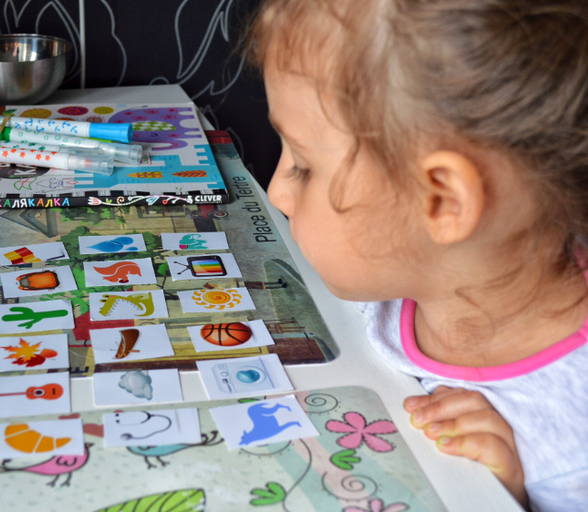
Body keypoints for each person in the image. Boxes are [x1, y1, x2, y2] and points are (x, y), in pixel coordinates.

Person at [245, 0, 588, 510]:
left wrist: (502, 497)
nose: (277, 192)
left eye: (305, 166)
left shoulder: (571, 442)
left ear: (442, 201)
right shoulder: (384, 279)